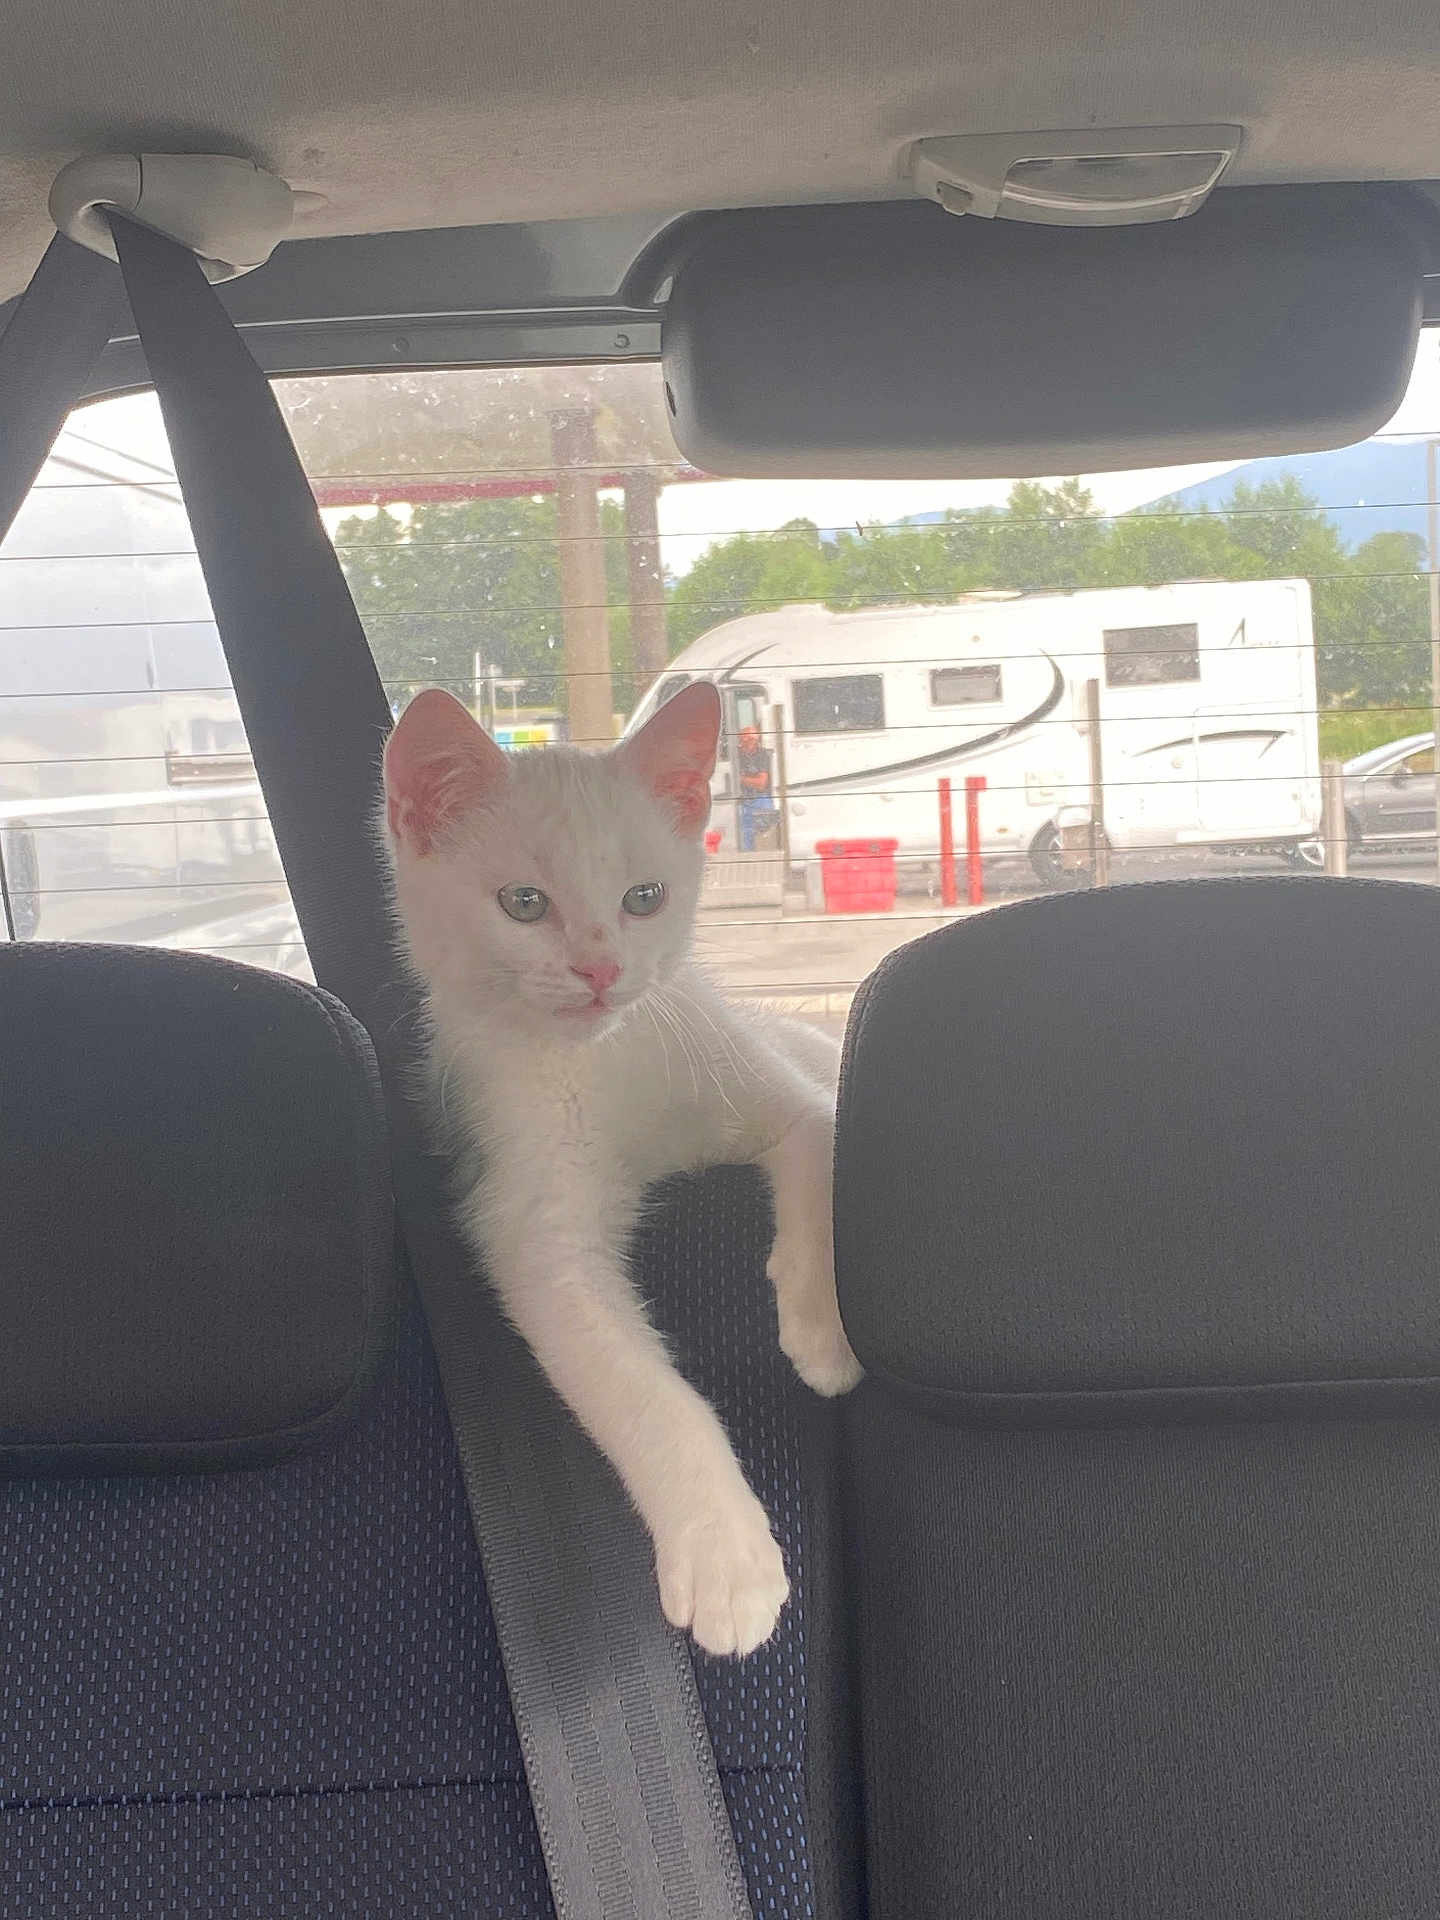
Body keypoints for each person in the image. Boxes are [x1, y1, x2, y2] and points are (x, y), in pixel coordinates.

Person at [736, 723, 779, 850]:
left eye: (753, 739)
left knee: (766, 833)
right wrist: (749, 780)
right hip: (741, 800)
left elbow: (761, 784)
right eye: (746, 739)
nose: (750, 742)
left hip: (760, 798)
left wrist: (741, 779)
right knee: (743, 835)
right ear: (740, 739)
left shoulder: (762, 754)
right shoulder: (735, 755)